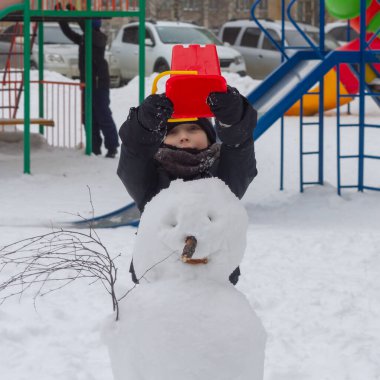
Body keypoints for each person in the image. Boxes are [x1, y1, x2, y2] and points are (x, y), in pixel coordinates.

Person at [117, 86, 258, 285]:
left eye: (193, 128)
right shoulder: (150, 180)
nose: (184, 136)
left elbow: (240, 149)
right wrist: (142, 127)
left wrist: (234, 121)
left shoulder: (224, 176)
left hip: (214, 284)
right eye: (173, 131)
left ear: (210, 136)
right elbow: (134, 157)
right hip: (158, 283)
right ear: (160, 140)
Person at [57, 6, 119, 158]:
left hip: (99, 83)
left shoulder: (99, 38)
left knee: (103, 114)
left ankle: (112, 147)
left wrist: (74, 13)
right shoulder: (85, 38)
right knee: (88, 117)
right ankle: (94, 147)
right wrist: (61, 18)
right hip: (87, 83)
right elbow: (69, 33)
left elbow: (84, 26)